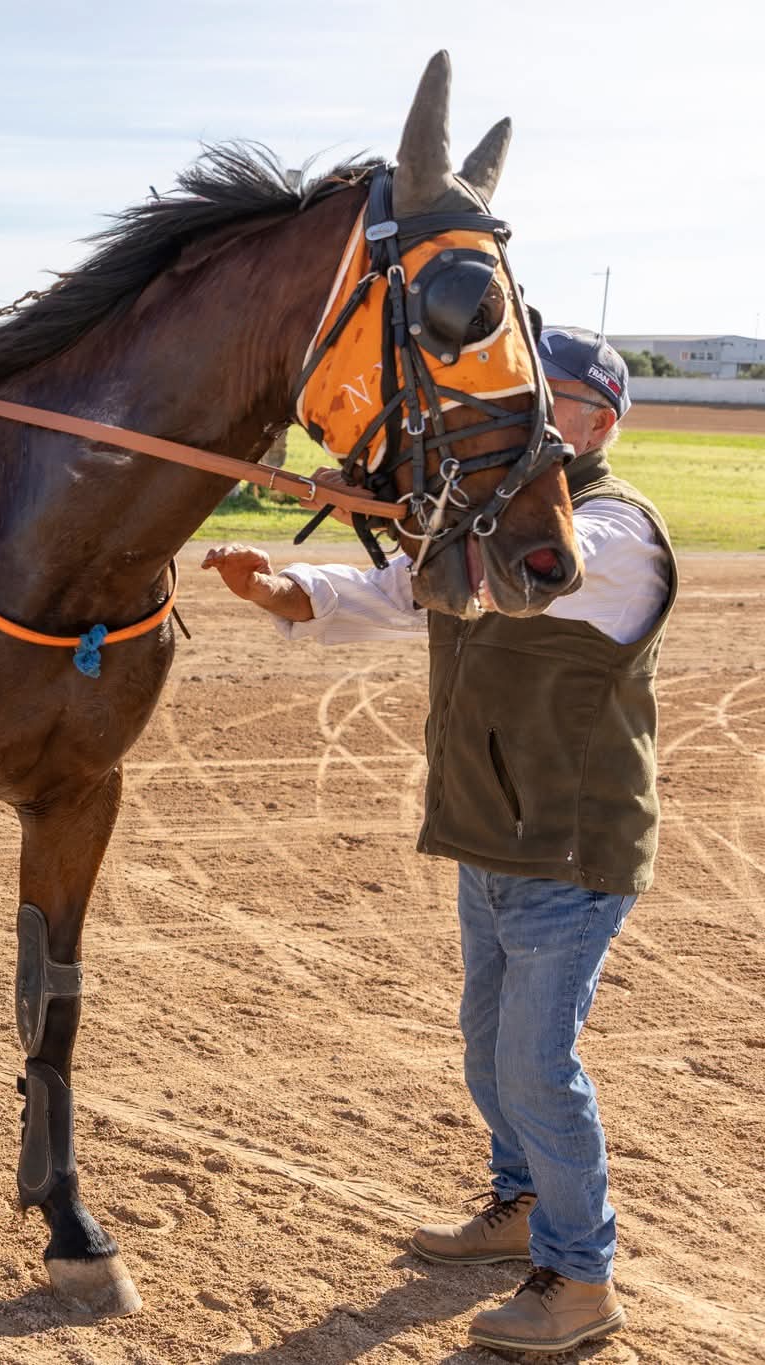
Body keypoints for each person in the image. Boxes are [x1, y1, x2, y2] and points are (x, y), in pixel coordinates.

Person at [202, 328, 673, 1356]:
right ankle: (515, 1207)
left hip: (570, 843)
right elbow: (391, 599)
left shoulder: (610, 531)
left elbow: (508, 575)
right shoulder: (490, 523)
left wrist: (400, 496)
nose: (514, 416)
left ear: (593, 419)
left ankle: (580, 1278)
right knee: (485, 1047)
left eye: (538, 400)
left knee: (537, 1064)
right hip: (489, 831)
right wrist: (285, 589)